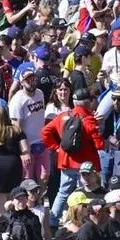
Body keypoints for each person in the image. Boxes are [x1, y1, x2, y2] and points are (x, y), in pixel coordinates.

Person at [40, 89, 105, 225]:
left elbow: (45, 132)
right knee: (87, 193)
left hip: (66, 162)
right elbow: (99, 145)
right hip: (86, 165)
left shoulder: (63, 116)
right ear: (88, 102)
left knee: (63, 193)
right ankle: (86, 222)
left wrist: (56, 147)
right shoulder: (89, 120)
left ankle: (52, 222)